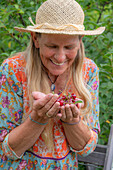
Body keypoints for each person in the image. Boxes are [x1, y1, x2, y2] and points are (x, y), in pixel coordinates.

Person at [0, 0, 105, 169]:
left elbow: (86, 149)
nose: (61, 57)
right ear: (35, 39)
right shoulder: (13, 70)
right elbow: (8, 150)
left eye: (69, 47)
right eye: (52, 46)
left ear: (80, 41)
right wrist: (37, 119)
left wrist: (72, 122)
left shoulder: (88, 70)